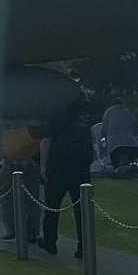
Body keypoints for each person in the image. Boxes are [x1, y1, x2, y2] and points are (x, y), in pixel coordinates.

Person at [39, 104, 94, 257]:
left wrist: (43, 167)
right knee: (82, 210)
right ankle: (84, 246)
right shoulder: (84, 114)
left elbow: (46, 141)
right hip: (81, 168)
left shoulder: (55, 113)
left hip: (59, 167)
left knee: (52, 206)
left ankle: (50, 241)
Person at [0, 120, 42, 240]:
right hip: (9, 163)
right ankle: (12, 229)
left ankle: (32, 231)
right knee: (6, 197)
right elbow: (0, 142)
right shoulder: (5, 123)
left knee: (31, 199)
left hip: (29, 163)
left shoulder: (32, 122)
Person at [100, 96, 138, 168]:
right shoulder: (127, 111)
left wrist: (103, 136)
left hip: (114, 143)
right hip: (129, 142)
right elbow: (134, 126)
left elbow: (104, 128)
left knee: (117, 162)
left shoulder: (108, 111)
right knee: (128, 160)